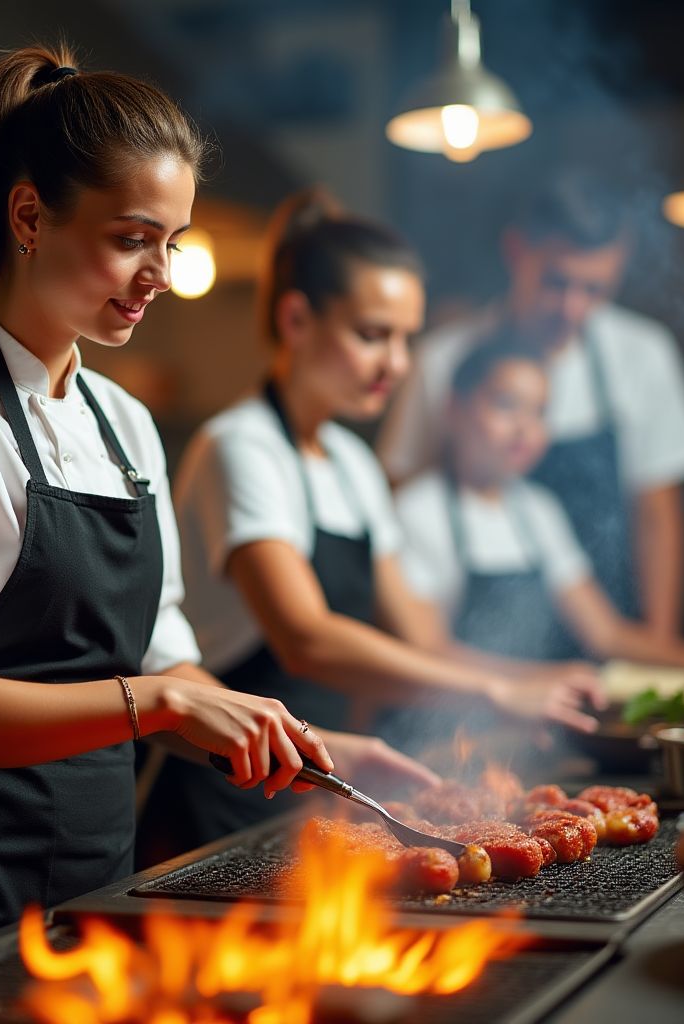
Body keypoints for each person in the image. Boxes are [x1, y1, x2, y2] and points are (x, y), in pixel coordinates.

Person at [0, 45, 340, 996]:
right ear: (29, 215)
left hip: (94, 887)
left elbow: (163, 652)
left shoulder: (124, 424)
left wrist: (287, 736)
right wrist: (159, 704)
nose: (160, 272)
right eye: (134, 238)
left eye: (174, 241)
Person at [139, 189, 604, 862]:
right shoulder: (240, 447)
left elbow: (421, 636)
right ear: (296, 319)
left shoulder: (355, 464)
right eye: (372, 335)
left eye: (407, 338)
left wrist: (538, 685)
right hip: (217, 796)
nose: (398, 363)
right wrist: (499, 693)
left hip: (311, 785)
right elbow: (308, 641)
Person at [378, 172, 684, 642]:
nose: (572, 310)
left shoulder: (642, 353)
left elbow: (656, 516)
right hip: (468, 657)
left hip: (605, 632)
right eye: (556, 282)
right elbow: (395, 517)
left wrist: (654, 657)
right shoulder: (441, 361)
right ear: (516, 251)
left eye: (595, 290)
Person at [394, 336, 684, 670]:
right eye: (505, 405)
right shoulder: (417, 512)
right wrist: (542, 683)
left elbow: (607, 635)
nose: (524, 428)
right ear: (454, 410)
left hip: (534, 713)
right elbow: (426, 649)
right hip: (444, 717)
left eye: (539, 412)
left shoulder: (538, 511)